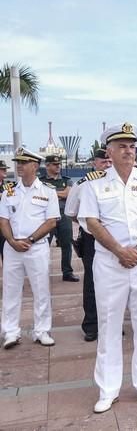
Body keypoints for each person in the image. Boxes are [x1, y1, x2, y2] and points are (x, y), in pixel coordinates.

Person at [78, 123, 137, 413]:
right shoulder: (94, 182)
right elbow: (91, 221)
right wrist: (119, 250)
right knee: (109, 325)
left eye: (132, 146)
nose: (129, 150)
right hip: (109, 263)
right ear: (110, 151)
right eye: (123, 146)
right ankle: (108, 389)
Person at [0, 148, 59, 349]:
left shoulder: (48, 191)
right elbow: (3, 220)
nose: (19, 166)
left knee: (41, 290)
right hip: (12, 248)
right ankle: (10, 332)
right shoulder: (9, 191)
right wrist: (12, 241)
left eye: (23, 163)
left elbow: (51, 222)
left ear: (35, 166)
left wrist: (31, 240)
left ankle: (41, 331)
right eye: (18, 162)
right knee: (10, 291)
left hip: (37, 248)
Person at [64, 147, 112, 341]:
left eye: (110, 162)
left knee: (115, 283)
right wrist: (88, 225)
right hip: (92, 239)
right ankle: (92, 325)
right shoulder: (83, 184)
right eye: (103, 162)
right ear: (94, 163)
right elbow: (71, 212)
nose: (107, 165)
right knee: (93, 283)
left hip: (116, 238)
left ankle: (111, 324)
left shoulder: (119, 182)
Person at [40, 154, 79, 282]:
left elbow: (68, 194)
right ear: (47, 165)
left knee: (66, 244)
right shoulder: (40, 181)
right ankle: (42, 272)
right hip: (46, 216)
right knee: (43, 244)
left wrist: (50, 193)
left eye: (59, 164)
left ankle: (67, 272)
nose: (58, 167)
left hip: (63, 215)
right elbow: (40, 196)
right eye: (55, 164)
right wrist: (58, 194)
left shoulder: (67, 180)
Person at [0, 160, 9, 257]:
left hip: (4, 223)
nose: (5, 171)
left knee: (5, 252)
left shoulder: (8, 186)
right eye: (2, 169)